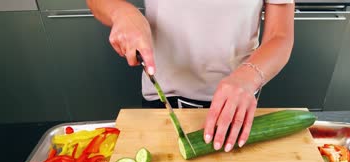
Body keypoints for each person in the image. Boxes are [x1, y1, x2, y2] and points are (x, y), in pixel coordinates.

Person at [86, 0, 294, 153]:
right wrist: (121, 12)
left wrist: (246, 78)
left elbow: (280, 35)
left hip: (239, 99)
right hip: (164, 97)